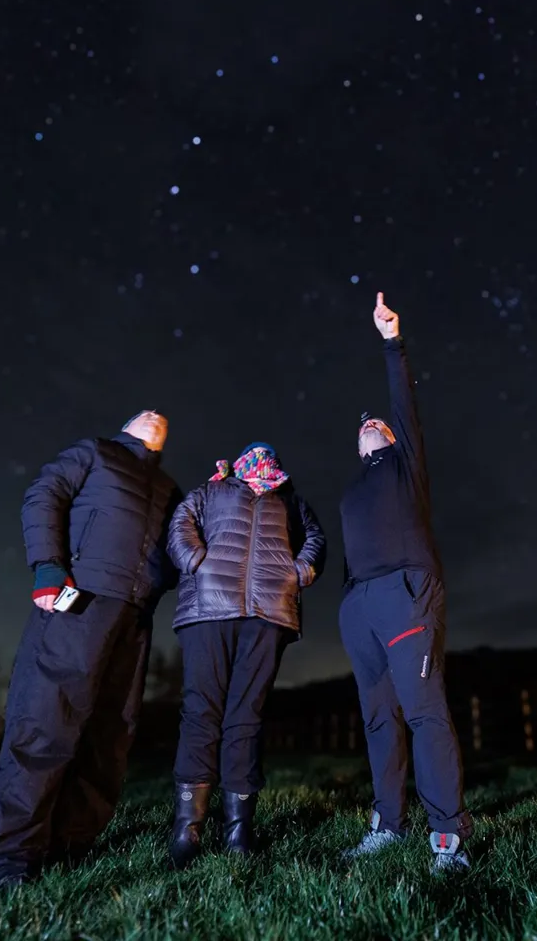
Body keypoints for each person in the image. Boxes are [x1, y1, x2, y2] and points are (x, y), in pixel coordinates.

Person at [0, 410, 183, 888]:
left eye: (162, 417)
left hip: (134, 614)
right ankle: (6, 858)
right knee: (47, 719)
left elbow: (181, 545)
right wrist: (48, 564)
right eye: (143, 412)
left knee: (110, 733)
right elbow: (45, 493)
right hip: (80, 597)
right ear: (127, 425)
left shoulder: (169, 488)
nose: (154, 414)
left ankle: (70, 845)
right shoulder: (96, 452)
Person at [338, 293, 473, 874]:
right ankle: (389, 826)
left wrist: (392, 343)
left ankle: (447, 837)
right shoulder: (352, 490)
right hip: (359, 606)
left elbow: (403, 404)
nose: (372, 423)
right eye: (364, 425)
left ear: (394, 439)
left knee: (423, 711)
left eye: (380, 424)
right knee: (378, 719)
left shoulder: (405, 466)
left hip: (405, 595)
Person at [164, 443, 326, 868]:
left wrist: (297, 573)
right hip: (207, 611)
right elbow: (180, 523)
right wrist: (197, 562)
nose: (263, 459)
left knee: (247, 716)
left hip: (268, 615)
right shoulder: (211, 491)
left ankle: (238, 829)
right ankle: (187, 829)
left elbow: (315, 539)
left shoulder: (290, 501)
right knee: (201, 712)